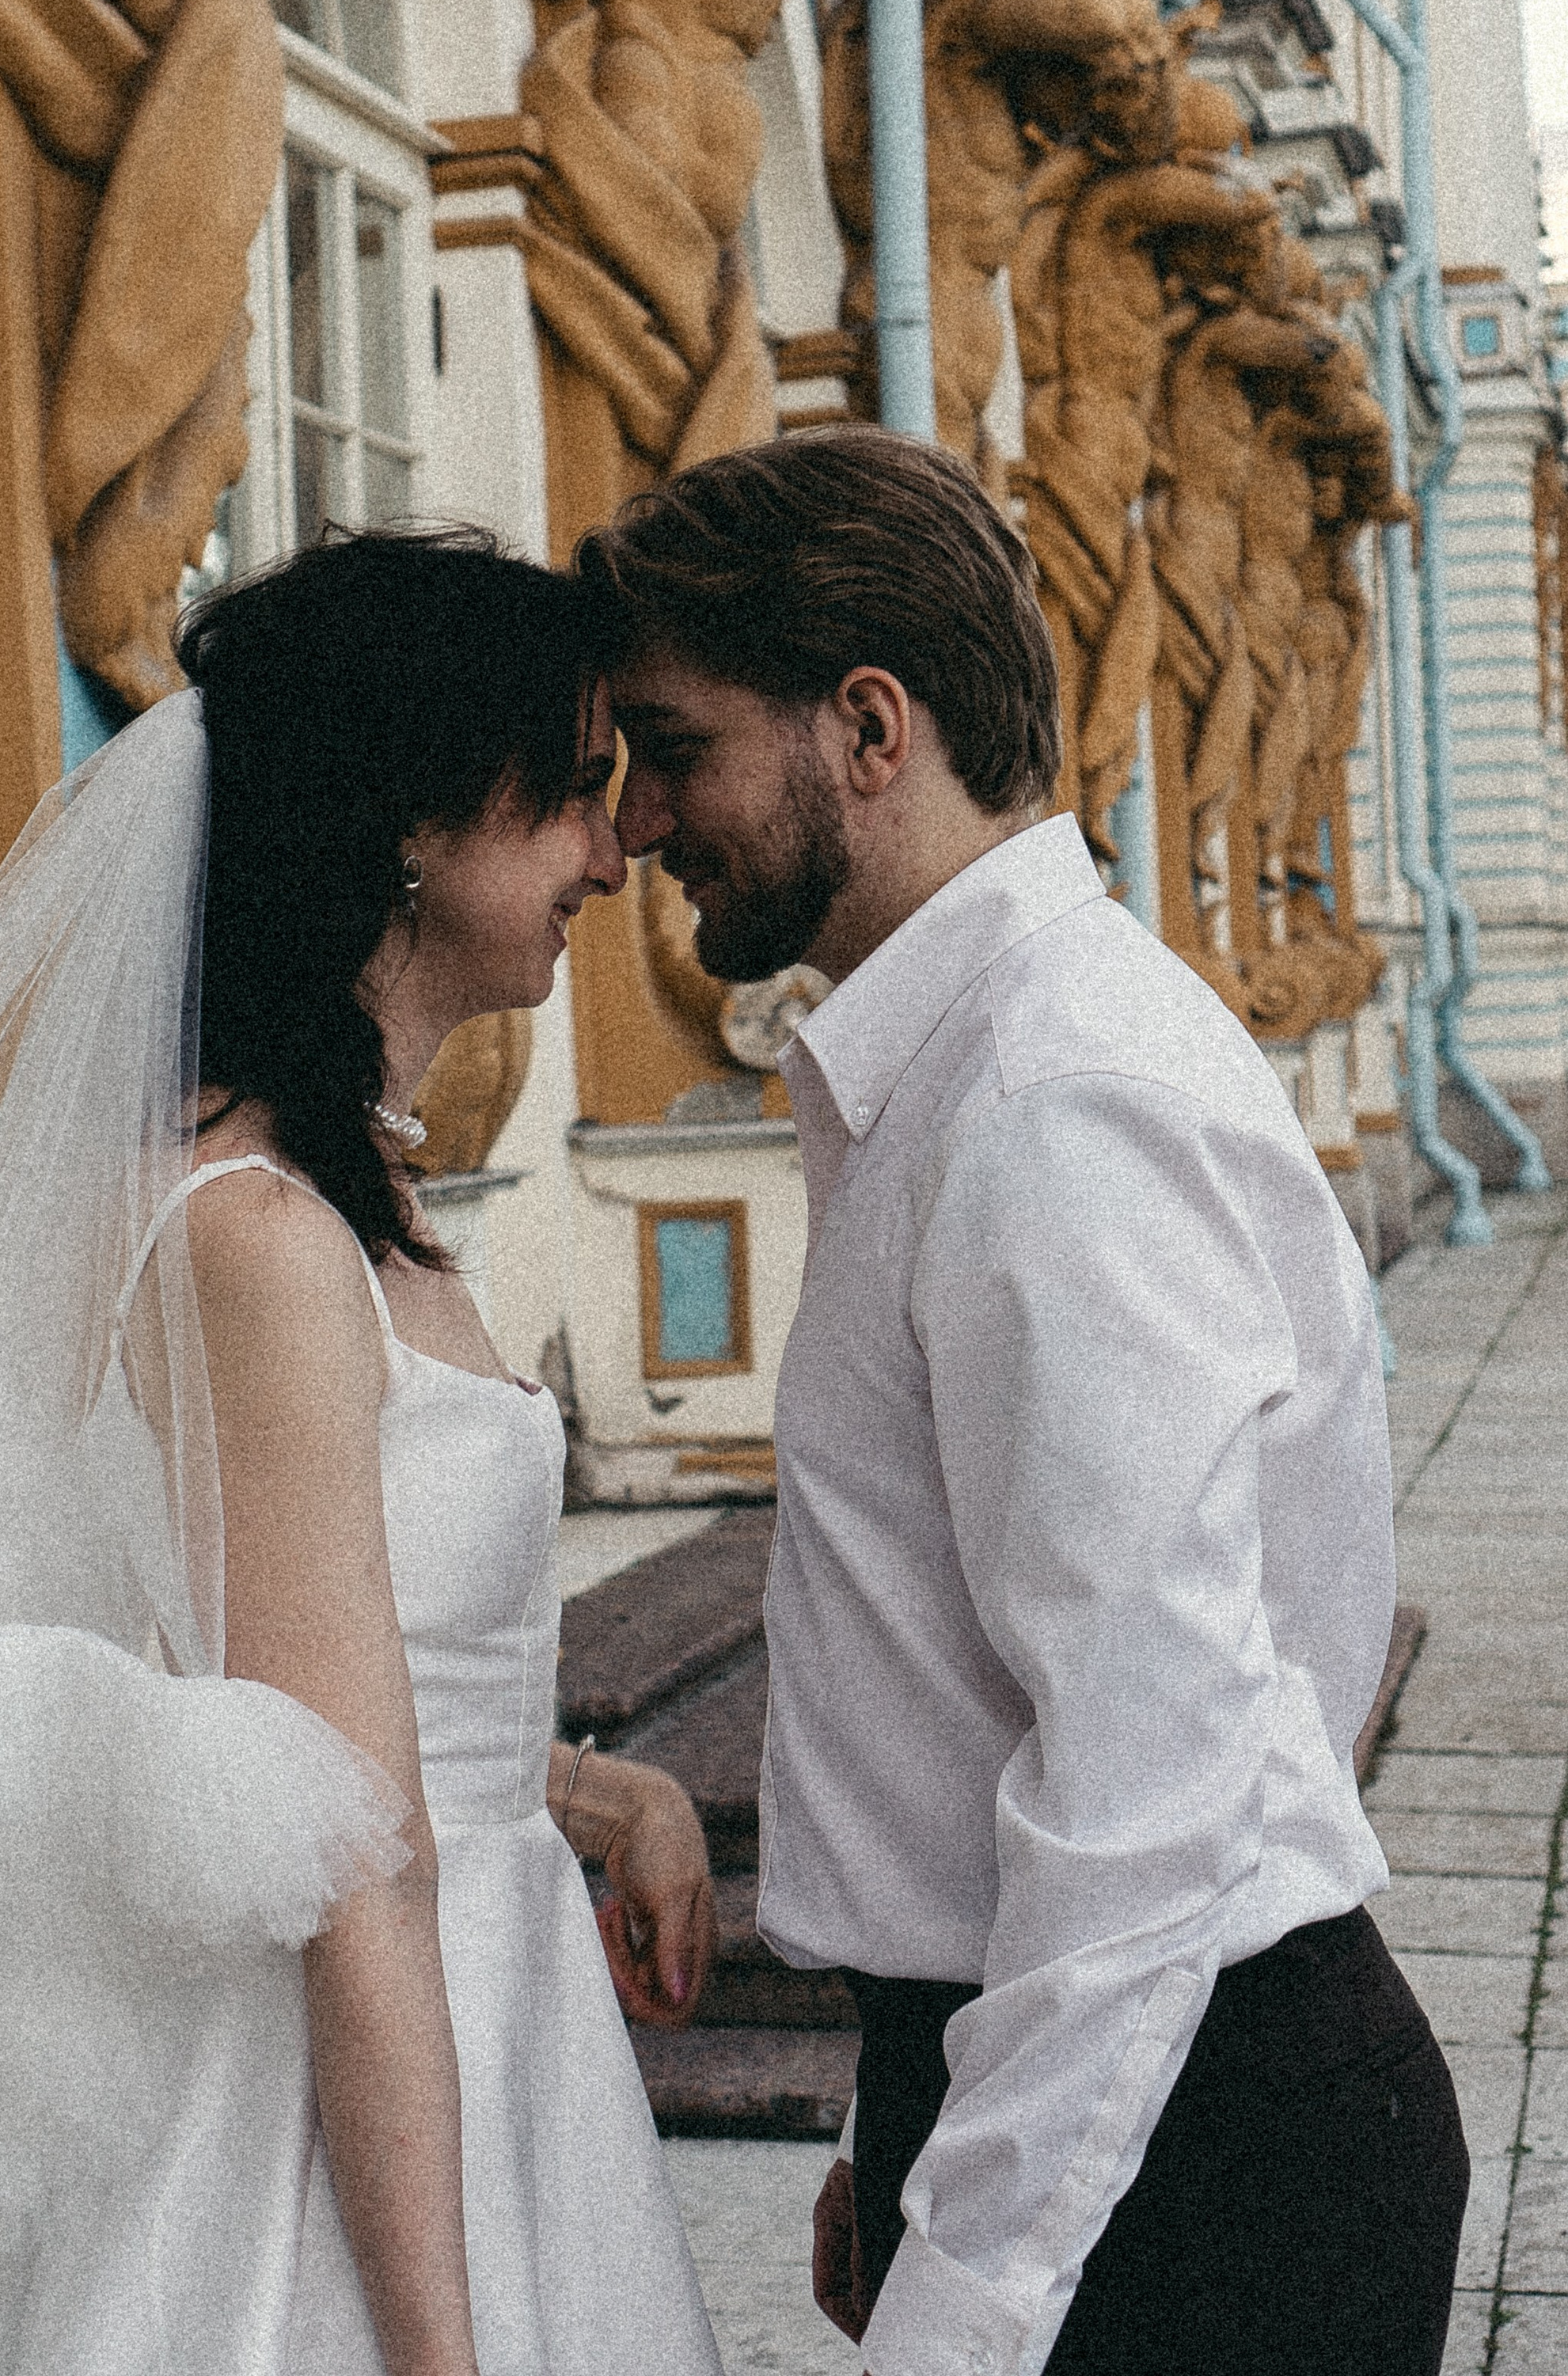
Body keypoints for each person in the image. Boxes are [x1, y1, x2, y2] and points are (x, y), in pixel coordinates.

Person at [0, 527, 725, 2376]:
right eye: (569, 792)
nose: (610, 844)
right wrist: (437, 2345)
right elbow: (350, 1846)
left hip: (476, 1998)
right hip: (337, 2087)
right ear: (414, 824)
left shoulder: (333, 1195)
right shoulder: (256, 1233)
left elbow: (279, 1656)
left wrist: (594, 1795)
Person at [576, 428, 1467, 2376]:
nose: (636, 819)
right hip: (1104, 2087)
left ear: (866, 726)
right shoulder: (974, 1063)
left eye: (673, 745)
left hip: (1210, 2164)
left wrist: (968, 2291)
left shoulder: (1053, 1104)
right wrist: (909, 2125)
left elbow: (1151, 1778)